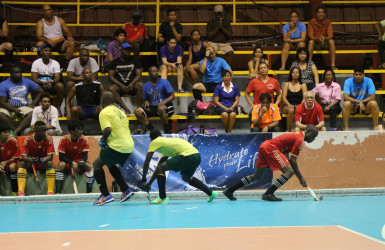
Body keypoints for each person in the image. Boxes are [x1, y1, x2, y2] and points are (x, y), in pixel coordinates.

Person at [223, 125, 319, 201]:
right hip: (271, 148)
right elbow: (293, 161)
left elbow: (286, 152)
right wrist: (300, 177)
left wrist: (285, 165)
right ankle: (268, 193)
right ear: (308, 132)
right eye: (314, 136)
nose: (313, 139)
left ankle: (229, 191)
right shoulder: (300, 140)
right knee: (289, 172)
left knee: (257, 176)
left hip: (265, 146)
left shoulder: (298, 135)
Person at [139, 129, 218, 204]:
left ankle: (162, 198)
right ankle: (211, 193)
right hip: (197, 156)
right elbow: (159, 168)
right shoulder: (166, 143)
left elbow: (147, 162)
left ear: (151, 138)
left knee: (161, 168)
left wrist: (143, 179)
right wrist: (149, 183)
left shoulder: (155, 141)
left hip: (188, 156)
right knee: (186, 177)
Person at [92, 91, 135, 205]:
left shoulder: (104, 112)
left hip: (117, 145)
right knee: (110, 164)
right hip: (129, 145)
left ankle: (105, 195)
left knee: (96, 165)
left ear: (103, 101)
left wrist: (103, 139)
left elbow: (108, 129)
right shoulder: (121, 111)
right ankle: (125, 189)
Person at [0, 65, 43, 136]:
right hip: (8, 107)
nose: (19, 74)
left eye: (20, 72)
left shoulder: (27, 81)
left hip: (23, 106)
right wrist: (14, 110)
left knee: (32, 114)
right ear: (11, 74)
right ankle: (14, 130)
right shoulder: (3, 84)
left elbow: (41, 91)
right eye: (16, 72)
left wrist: (33, 104)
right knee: (1, 115)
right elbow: (2, 102)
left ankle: (16, 132)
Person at [18, 121, 56, 196]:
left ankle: (50, 191)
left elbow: (50, 157)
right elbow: (24, 157)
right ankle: (21, 191)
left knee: (49, 163)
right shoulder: (28, 139)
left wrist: (42, 160)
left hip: (42, 163)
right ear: (35, 131)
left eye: (45, 130)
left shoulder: (49, 138)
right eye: (42, 131)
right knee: (22, 164)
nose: (44, 132)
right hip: (31, 163)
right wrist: (31, 160)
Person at [134, 66, 175, 134]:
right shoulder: (146, 86)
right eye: (153, 71)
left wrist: (164, 102)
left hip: (166, 106)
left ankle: (167, 130)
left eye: (156, 71)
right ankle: (152, 130)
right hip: (154, 107)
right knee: (137, 111)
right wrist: (147, 105)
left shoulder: (165, 82)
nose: (156, 73)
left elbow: (173, 96)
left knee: (161, 108)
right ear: (149, 74)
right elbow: (146, 99)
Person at [56, 120, 94, 194]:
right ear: (71, 131)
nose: (80, 131)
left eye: (81, 129)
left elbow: (85, 157)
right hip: (67, 162)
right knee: (61, 165)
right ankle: (58, 192)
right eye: (77, 129)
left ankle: (89, 192)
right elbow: (61, 157)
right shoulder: (64, 139)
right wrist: (72, 162)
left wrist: (81, 162)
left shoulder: (84, 140)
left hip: (79, 162)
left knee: (88, 166)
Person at [108, 42, 143, 115]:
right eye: (125, 50)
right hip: (120, 87)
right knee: (111, 88)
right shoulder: (115, 62)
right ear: (121, 50)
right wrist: (121, 85)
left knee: (140, 85)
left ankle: (139, 108)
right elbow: (110, 76)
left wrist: (132, 83)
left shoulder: (135, 61)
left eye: (129, 50)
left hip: (132, 86)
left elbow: (139, 75)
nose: (128, 52)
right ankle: (125, 109)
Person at [36, 4, 75, 69]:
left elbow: (67, 31)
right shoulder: (40, 22)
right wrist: (47, 40)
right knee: (39, 44)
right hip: (48, 44)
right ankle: (41, 63)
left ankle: (66, 63)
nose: (48, 11)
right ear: (43, 12)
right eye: (46, 10)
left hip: (60, 42)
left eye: (49, 9)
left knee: (71, 43)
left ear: (52, 10)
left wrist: (70, 36)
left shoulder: (60, 20)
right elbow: (39, 36)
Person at [342, 66, 380, 131]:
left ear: (364, 75)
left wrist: (362, 102)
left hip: (365, 107)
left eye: (360, 74)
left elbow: (373, 97)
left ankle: (376, 127)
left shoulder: (369, 81)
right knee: (346, 103)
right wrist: (359, 102)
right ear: (353, 75)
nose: (358, 76)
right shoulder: (348, 81)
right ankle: (346, 128)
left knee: (374, 103)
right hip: (353, 106)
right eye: (356, 74)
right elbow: (345, 97)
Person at [31, 44, 65, 113]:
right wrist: (43, 83)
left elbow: (57, 78)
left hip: (51, 83)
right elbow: (34, 79)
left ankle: (57, 108)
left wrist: (50, 82)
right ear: (41, 52)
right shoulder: (36, 63)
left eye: (49, 51)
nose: (48, 52)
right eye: (46, 51)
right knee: (32, 86)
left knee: (60, 86)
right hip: (40, 84)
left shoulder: (55, 63)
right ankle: (37, 108)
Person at [308, 5, 337, 70]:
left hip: (324, 42)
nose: (320, 14)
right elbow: (311, 36)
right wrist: (318, 39)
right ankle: (309, 64)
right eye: (319, 12)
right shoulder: (311, 22)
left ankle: (333, 65)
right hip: (315, 43)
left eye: (322, 12)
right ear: (316, 14)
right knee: (311, 42)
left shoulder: (328, 22)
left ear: (325, 14)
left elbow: (330, 36)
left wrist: (324, 38)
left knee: (331, 41)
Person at [282, 67, 307, 132]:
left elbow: (305, 98)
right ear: (291, 74)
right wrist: (289, 105)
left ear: (299, 75)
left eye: (297, 72)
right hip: (288, 105)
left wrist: (300, 105)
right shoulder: (286, 84)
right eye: (293, 72)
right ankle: (288, 129)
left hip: (299, 104)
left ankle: (298, 129)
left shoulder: (303, 84)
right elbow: (284, 97)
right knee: (291, 110)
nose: (295, 74)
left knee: (300, 110)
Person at [0, 123, 21, 196]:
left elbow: (17, 156)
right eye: (5, 132)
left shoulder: (13, 141)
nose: (7, 134)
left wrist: (6, 162)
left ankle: (15, 192)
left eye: (8, 132)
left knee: (12, 167)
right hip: (1, 163)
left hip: (10, 162)